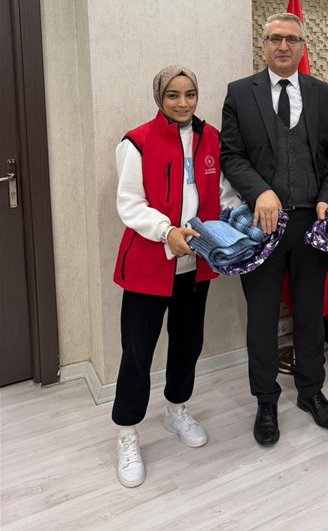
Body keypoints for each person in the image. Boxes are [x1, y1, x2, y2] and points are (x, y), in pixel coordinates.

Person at [220, 12, 328, 446]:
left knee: (310, 313)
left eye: (292, 39)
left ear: (302, 46)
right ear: (264, 44)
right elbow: (231, 155)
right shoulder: (240, 93)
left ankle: (311, 391)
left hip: (311, 222)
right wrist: (260, 193)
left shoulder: (324, 94)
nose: (283, 46)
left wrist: (327, 196)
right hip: (262, 225)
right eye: (275, 38)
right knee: (262, 318)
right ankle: (266, 400)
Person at [112, 66, 238, 487]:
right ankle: (127, 432)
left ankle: (176, 410)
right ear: (159, 98)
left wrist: (237, 224)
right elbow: (130, 204)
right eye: (173, 95)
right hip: (149, 266)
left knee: (187, 342)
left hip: (195, 266)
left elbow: (221, 193)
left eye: (190, 94)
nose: (183, 103)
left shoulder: (210, 137)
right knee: (138, 351)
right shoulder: (136, 142)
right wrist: (167, 232)